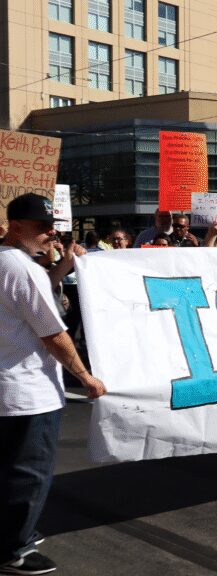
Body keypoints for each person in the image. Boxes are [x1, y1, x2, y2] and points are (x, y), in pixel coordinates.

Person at [1, 194, 107, 575]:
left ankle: (12, 533)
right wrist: (85, 376)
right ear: (15, 226)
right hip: (26, 391)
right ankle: (14, 550)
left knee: (9, 470)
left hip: (9, 386)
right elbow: (54, 335)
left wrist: (60, 267)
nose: (51, 233)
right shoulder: (20, 268)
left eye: (53, 226)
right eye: (42, 226)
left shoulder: (11, 264)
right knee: (28, 473)